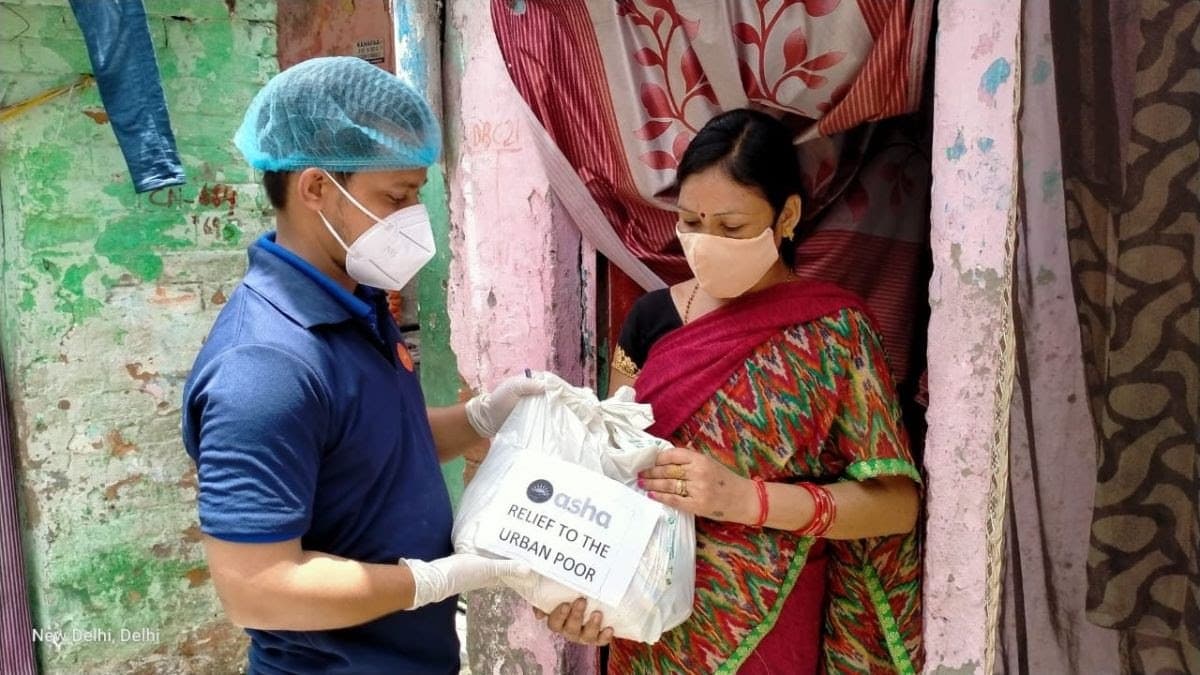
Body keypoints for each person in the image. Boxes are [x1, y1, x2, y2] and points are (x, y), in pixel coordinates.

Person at [180, 57, 539, 674]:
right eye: (396, 197)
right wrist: (429, 581)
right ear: (316, 188)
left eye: (415, 195)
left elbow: (374, 444)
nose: (411, 218)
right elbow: (257, 588)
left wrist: (486, 415)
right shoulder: (264, 368)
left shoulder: (357, 301)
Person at [548, 109, 924, 673]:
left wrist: (747, 499)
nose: (705, 244)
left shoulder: (837, 332)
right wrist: (575, 592)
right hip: (648, 623)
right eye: (691, 222)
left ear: (787, 215)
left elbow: (896, 505)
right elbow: (612, 485)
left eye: (731, 227)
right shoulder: (649, 320)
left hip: (770, 627)